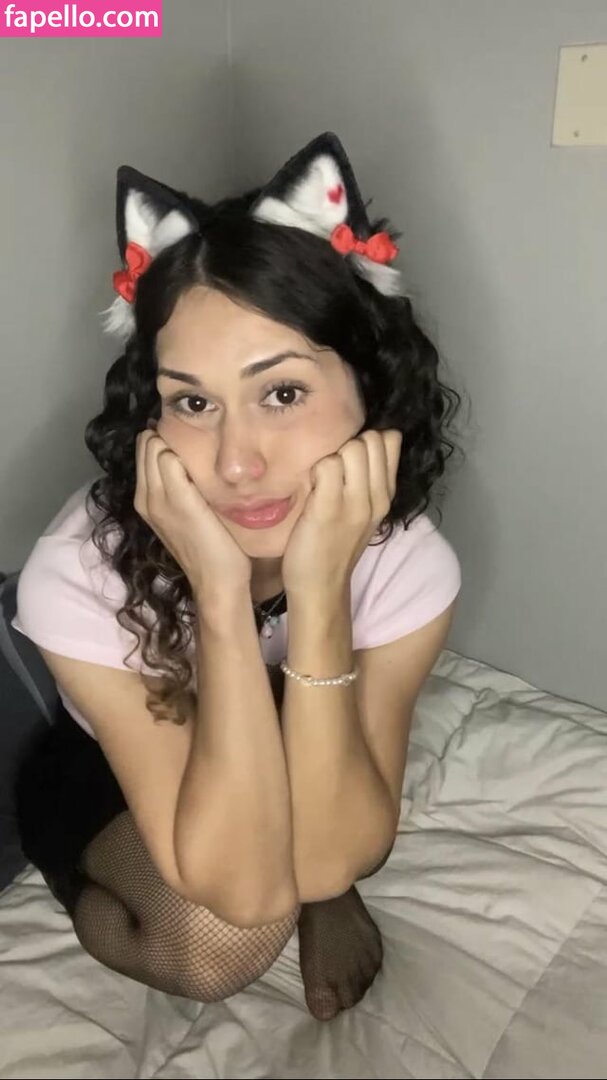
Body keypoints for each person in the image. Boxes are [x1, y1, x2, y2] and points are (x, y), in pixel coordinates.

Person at [13, 131, 464, 1021]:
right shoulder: (76, 571)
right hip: (114, 762)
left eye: (282, 393)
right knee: (221, 941)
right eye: (192, 402)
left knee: (325, 856)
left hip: (304, 730)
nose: (236, 463)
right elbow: (245, 893)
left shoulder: (406, 561)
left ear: (369, 388)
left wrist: (321, 589)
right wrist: (218, 592)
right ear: (152, 414)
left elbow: (332, 856)